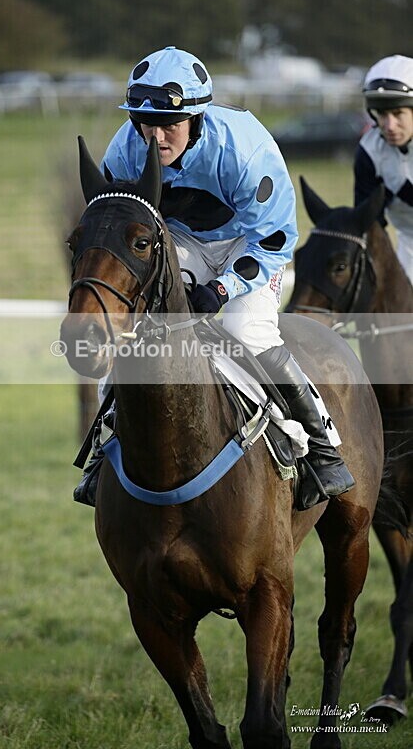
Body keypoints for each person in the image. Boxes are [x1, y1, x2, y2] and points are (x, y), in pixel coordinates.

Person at [74, 46, 354, 508]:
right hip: (180, 242)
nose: (155, 137)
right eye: (146, 123)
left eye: (170, 125)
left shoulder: (245, 151)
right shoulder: (123, 152)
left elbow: (273, 239)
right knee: (134, 330)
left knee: (245, 330)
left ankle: (322, 448)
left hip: (252, 244)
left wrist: (221, 289)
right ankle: (105, 450)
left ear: (197, 117)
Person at [354, 54, 413, 283]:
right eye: (382, 114)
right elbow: (370, 223)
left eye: (398, 114)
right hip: (407, 245)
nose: (389, 126)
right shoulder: (369, 152)